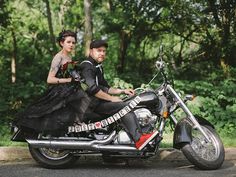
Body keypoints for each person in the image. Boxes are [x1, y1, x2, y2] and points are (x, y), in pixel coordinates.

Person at [79, 39, 158, 150]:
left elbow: (104, 87)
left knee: (124, 101)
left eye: (104, 51)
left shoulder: (97, 66)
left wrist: (122, 91)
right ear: (91, 51)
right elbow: (92, 89)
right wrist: (112, 99)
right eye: (99, 50)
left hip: (95, 104)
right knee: (125, 107)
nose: (102, 53)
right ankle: (139, 139)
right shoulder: (87, 66)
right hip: (90, 106)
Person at [14, 30, 90, 133]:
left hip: (70, 89)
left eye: (73, 42)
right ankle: (74, 125)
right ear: (62, 43)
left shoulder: (69, 56)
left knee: (85, 98)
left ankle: (76, 125)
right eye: (68, 42)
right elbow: (49, 79)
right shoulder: (58, 57)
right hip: (60, 90)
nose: (71, 45)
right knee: (82, 98)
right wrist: (68, 79)